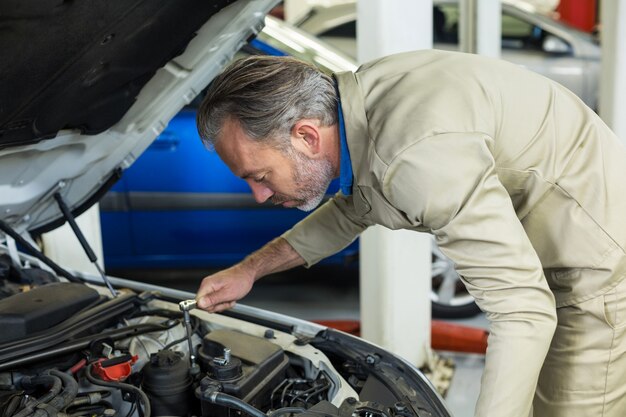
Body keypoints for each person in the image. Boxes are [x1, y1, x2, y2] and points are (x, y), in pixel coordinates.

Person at [194, 50, 626, 417]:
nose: (258, 194)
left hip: (592, 264)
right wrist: (249, 271)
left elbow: (523, 312)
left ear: (306, 136)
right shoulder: (356, 112)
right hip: (554, 238)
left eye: (261, 175)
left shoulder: (414, 155)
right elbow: (351, 211)